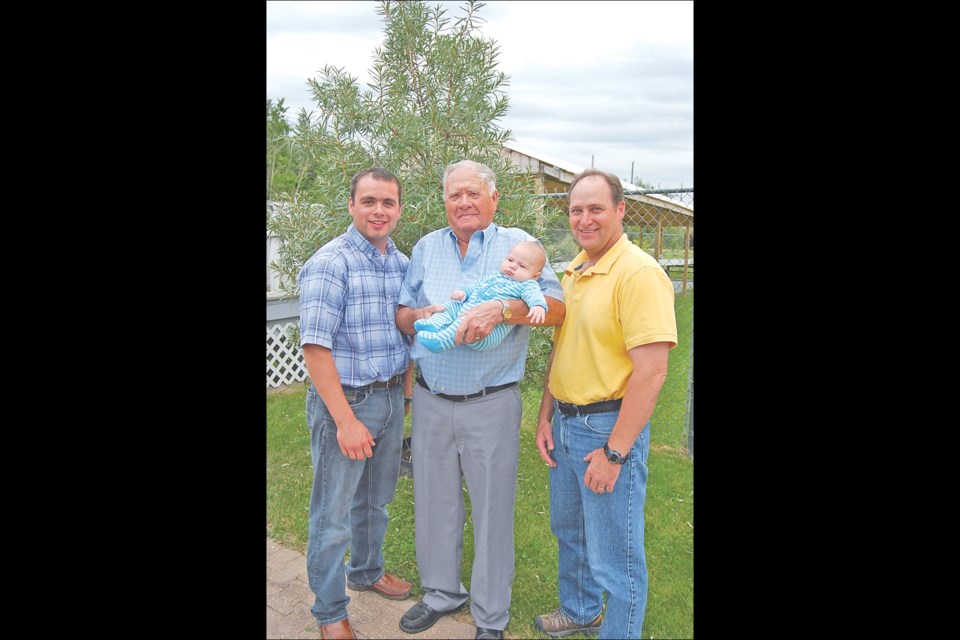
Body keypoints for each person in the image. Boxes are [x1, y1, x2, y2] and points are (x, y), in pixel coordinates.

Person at [395, 160, 565, 640]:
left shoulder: (520, 246)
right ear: (444, 200)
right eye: (454, 195)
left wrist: (504, 309)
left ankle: (490, 617)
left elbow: (555, 308)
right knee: (433, 500)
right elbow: (403, 312)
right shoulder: (427, 247)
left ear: (493, 198)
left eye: (473, 193)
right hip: (431, 398)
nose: (463, 203)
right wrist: (418, 316)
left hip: (491, 400)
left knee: (493, 509)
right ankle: (441, 594)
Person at [533, 169, 678, 639]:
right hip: (567, 422)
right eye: (577, 210)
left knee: (616, 556)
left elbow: (652, 371)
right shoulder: (575, 270)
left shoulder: (638, 273)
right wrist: (544, 415)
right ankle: (579, 611)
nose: (585, 218)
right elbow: (564, 348)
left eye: (596, 208)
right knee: (571, 534)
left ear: (620, 210)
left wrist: (615, 453)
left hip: (607, 428)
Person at [297, 168, 415, 640]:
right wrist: (345, 421)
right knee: (332, 515)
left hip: (388, 397)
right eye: (369, 201)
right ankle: (330, 612)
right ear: (351, 205)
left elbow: (406, 333)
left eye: (387, 202)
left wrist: (403, 397)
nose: (378, 211)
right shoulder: (332, 262)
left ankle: (367, 571)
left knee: (376, 502)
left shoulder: (400, 263)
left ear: (399, 209)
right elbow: (315, 348)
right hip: (343, 404)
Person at [414, 240, 548, 353]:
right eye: (510, 260)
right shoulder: (494, 276)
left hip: (488, 333)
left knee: (467, 320)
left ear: (535, 276)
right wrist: (464, 293)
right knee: (450, 306)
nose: (512, 266)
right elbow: (475, 286)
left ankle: (439, 341)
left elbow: (534, 295)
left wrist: (538, 306)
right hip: (468, 310)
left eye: (522, 266)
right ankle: (435, 324)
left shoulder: (526, 284)